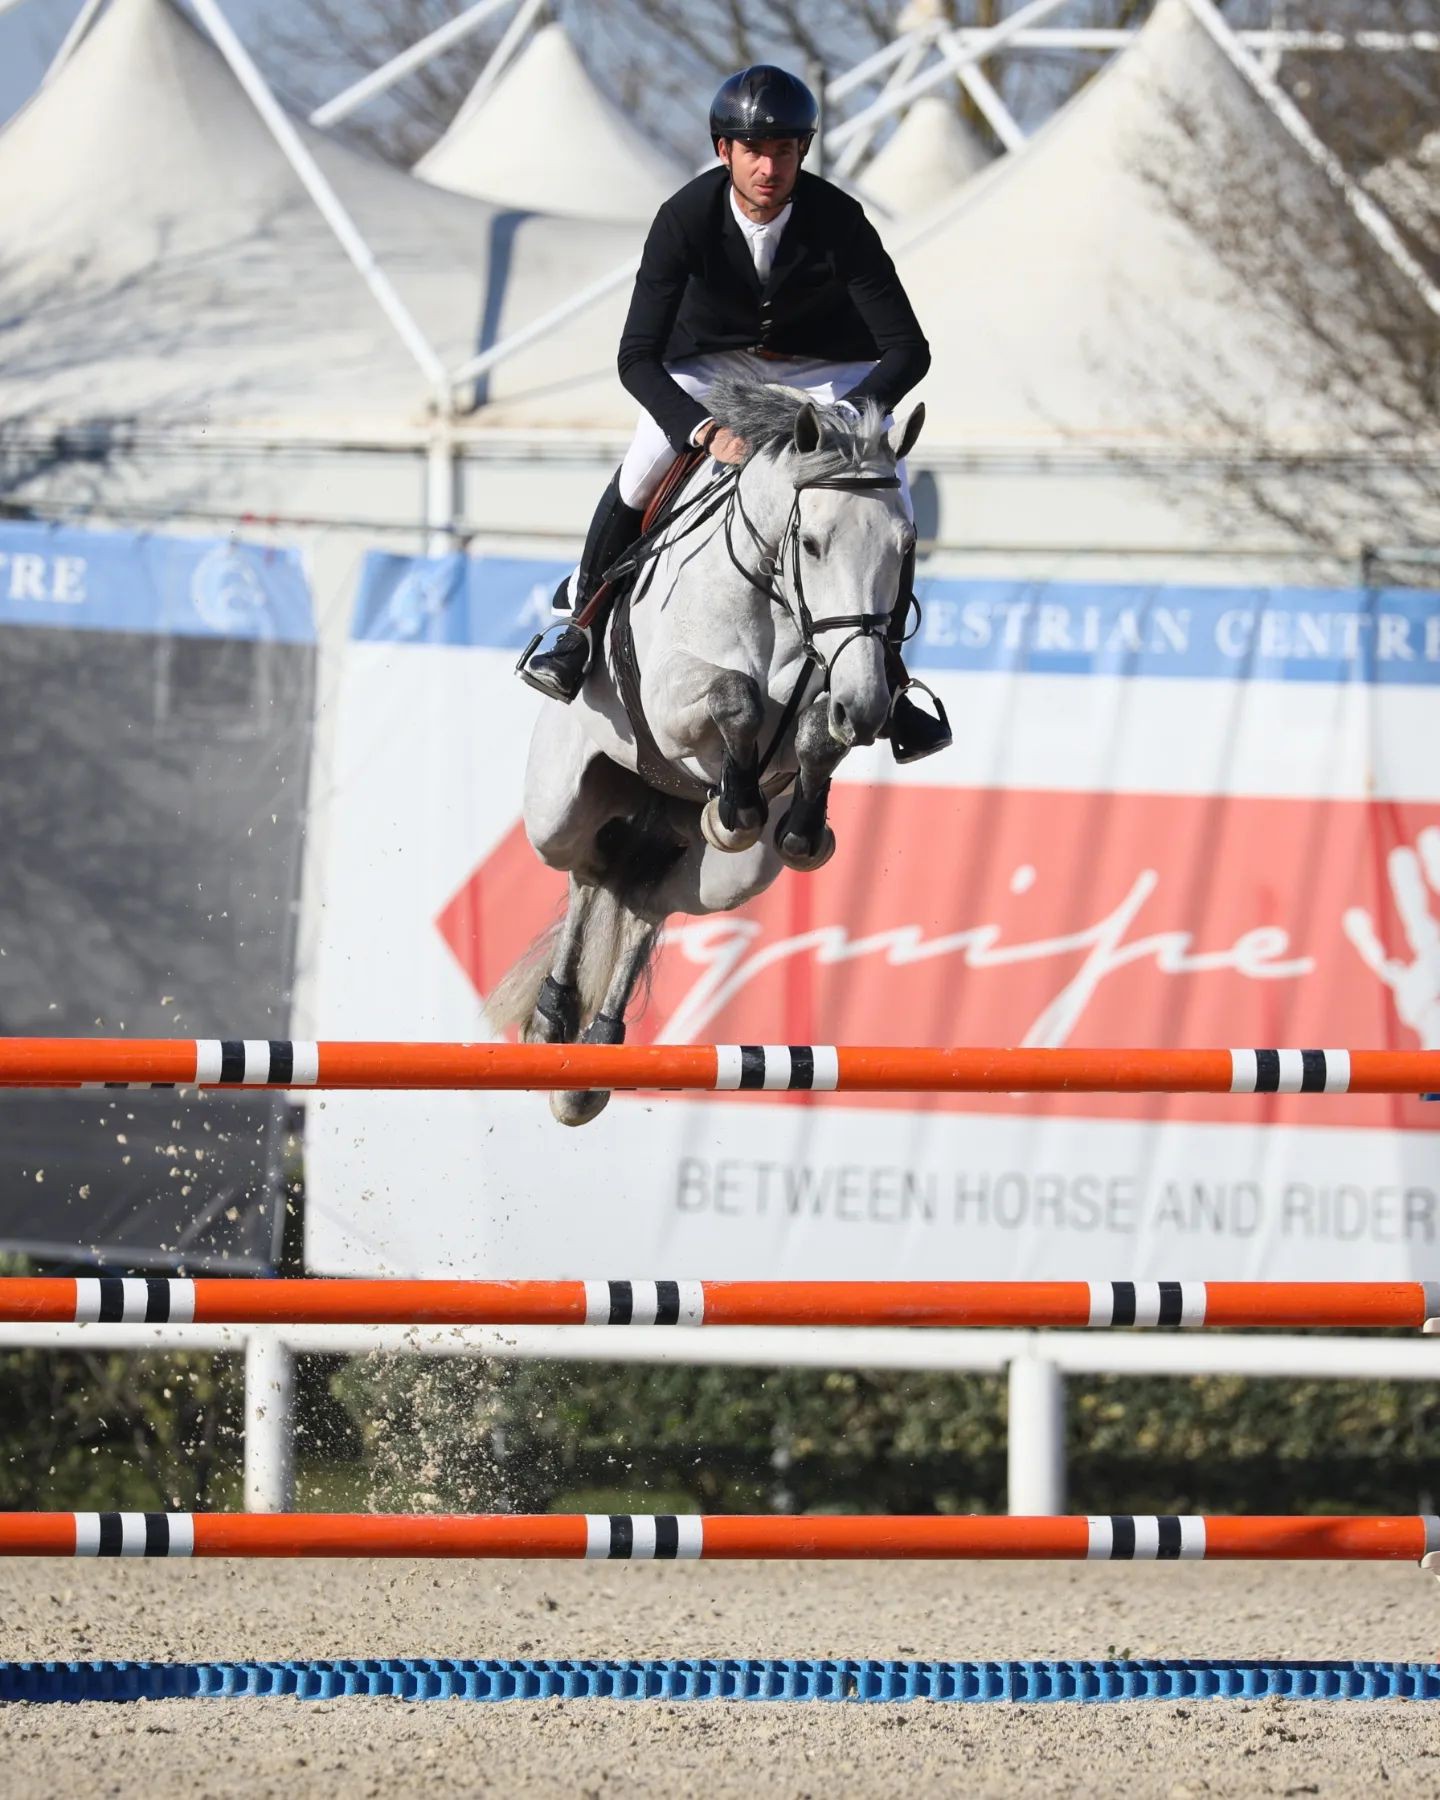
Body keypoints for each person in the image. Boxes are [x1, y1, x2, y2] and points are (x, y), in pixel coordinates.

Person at [519, 64, 949, 763]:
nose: (769, 166)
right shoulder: (685, 218)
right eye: (754, 150)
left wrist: (852, 421)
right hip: (709, 365)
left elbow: (908, 349)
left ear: (802, 152)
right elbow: (636, 357)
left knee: (886, 500)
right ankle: (582, 626)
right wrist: (701, 428)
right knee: (641, 472)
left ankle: (891, 680)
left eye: (784, 150)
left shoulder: (839, 220)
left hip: (824, 376)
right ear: (725, 150)